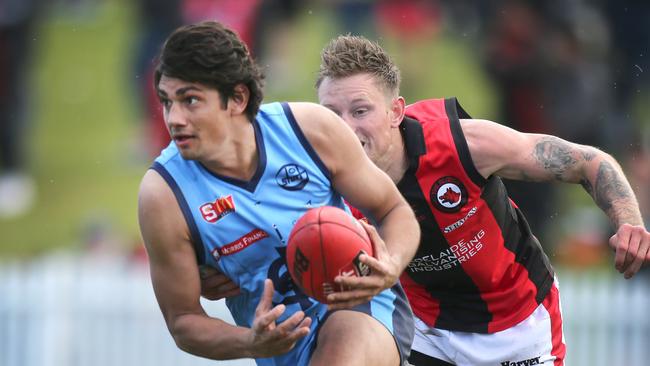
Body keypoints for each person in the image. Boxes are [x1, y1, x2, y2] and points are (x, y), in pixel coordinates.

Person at [201, 34, 650, 366]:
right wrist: (220, 273)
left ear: (396, 112)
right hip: (424, 331)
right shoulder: (316, 177)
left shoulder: (461, 143)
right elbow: (260, 239)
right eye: (331, 114)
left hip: (517, 324)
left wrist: (628, 218)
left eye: (360, 111)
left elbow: (586, 161)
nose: (344, 128)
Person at [137, 22, 419, 366]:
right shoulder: (164, 194)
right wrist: (251, 342)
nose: (174, 118)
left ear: (237, 98)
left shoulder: (310, 130)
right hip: (280, 350)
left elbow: (394, 211)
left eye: (191, 100)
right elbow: (182, 322)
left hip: (360, 309)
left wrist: (392, 264)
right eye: (167, 102)